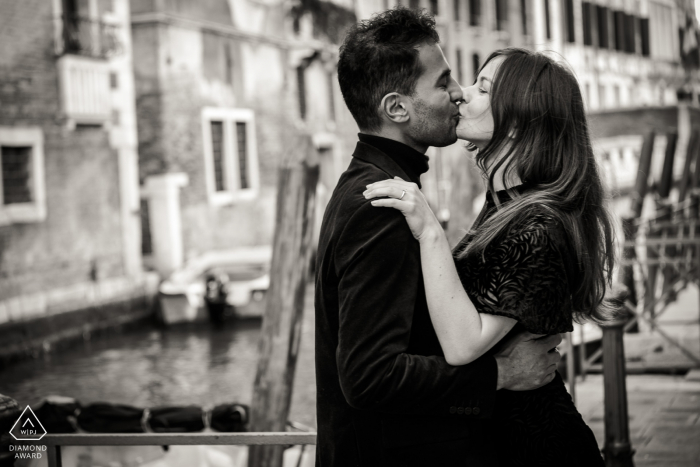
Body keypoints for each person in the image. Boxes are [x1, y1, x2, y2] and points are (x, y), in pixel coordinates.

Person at [315, 10, 563, 467]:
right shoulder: (383, 204)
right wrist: (499, 375)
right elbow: (369, 376)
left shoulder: (391, 188)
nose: (457, 93)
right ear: (397, 108)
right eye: (443, 81)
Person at [365, 48, 616, 466]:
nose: (462, 94)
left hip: (535, 449)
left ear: (519, 120)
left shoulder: (539, 226)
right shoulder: (508, 205)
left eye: (483, 88)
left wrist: (430, 232)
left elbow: (463, 346)